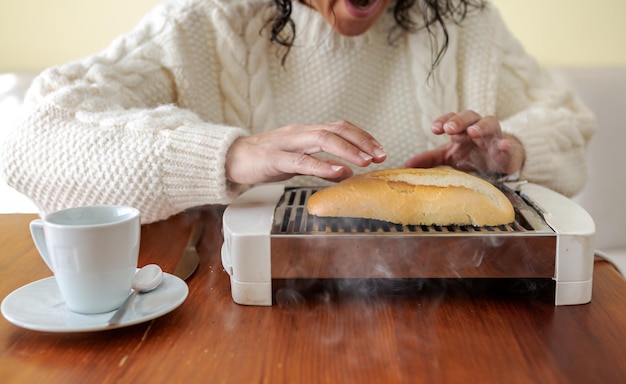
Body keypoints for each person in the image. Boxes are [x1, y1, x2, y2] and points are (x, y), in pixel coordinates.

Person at [1, 0, 595, 223]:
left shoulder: (466, 22)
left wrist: (510, 152)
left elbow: (569, 128)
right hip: (230, 304)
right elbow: (36, 136)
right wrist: (230, 153)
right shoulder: (206, 23)